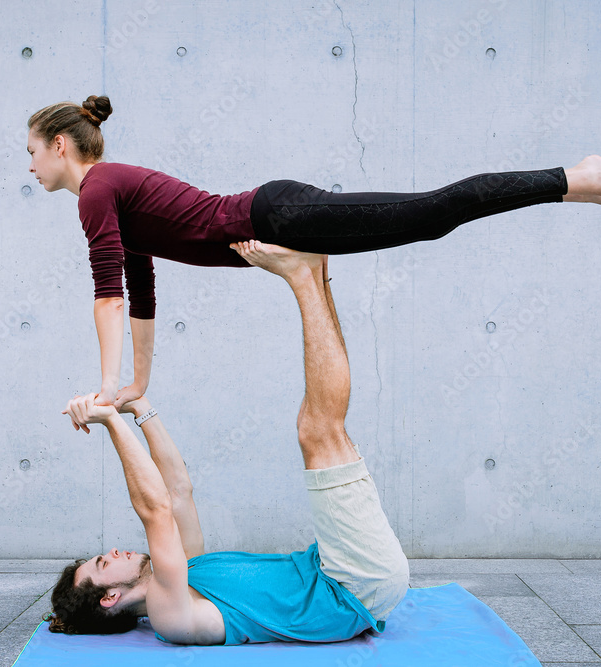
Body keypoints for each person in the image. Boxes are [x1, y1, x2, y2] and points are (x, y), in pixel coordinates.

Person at [27, 95, 601, 409]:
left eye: (31, 151)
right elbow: (136, 291)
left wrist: (106, 387)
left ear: (61, 145)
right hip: (280, 220)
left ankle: (577, 177)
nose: (29, 166)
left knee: (432, 212)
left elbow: (105, 297)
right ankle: (577, 183)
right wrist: (136, 382)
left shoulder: (96, 188)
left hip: (277, 215)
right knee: (431, 220)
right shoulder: (108, 191)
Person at [47, 240, 409, 644]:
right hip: (352, 586)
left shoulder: (189, 569)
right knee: (317, 432)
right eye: (103, 562)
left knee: (317, 424)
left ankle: (317, 265)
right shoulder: (172, 615)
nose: (113, 551)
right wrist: (112, 422)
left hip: (337, 569)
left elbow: (178, 492)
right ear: (110, 597)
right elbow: (156, 510)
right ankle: (301, 276)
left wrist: (142, 409)